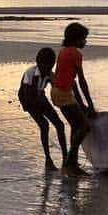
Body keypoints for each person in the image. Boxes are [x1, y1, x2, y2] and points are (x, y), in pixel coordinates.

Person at [50, 22, 96, 174]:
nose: (85, 42)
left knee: (76, 126)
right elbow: (81, 81)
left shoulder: (63, 52)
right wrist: (90, 104)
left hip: (58, 92)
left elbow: (72, 81)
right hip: (63, 94)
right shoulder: (75, 54)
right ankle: (70, 162)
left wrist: (82, 104)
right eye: (84, 38)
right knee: (85, 126)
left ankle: (73, 165)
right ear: (76, 39)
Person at [18, 47, 68, 171]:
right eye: (47, 66)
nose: (49, 69)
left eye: (51, 66)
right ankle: (48, 159)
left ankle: (66, 158)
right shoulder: (30, 73)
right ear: (39, 63)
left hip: (41, 98)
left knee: (60, 125)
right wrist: (29, 107)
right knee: (44, 125)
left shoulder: (49, 73)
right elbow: (24, 93)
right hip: (29, 100)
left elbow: (58, 86)